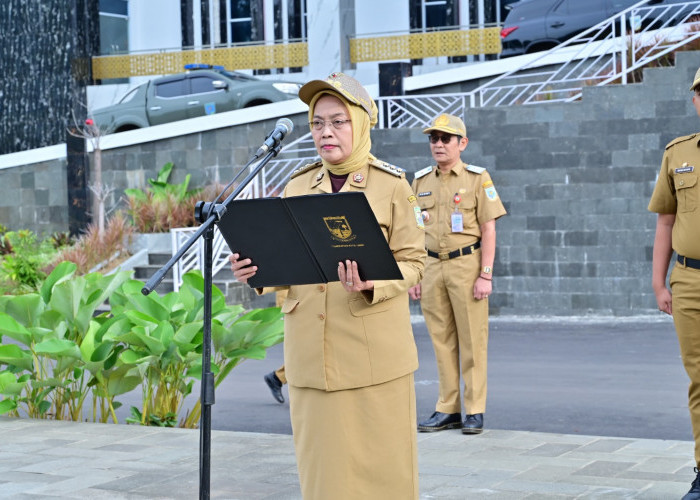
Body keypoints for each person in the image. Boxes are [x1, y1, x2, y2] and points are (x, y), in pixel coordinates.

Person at [229, 72, 426, 499]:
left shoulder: (392, 186)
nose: (326, 132)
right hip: (310, 359)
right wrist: (254, 272)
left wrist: (377, 281)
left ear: (361, 123)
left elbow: (414, 261)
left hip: (373, 358)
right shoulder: (298, 185)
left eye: (338, 121)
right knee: (324, 479)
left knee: (385, 476)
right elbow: (285, 258)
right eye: (317, 123)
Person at [409, 113, 506, 434]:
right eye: (433, 139)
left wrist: (486, 275)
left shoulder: (478, 179)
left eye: (445, 139)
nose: (438, 144)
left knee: (472, 341)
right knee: (441, 340)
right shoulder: (421, 182)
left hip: (467, 265)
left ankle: (474, 410)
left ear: (462, 144)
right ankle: (447, 408)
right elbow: (413, 230)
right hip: (432, 266)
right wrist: (416, 275)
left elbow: (489, 228)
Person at [649, 67, 700, 500]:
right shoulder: (678, 153)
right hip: (690, 281)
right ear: (694, 101)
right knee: (699, 379)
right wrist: (659, 283)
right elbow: (666, 220)